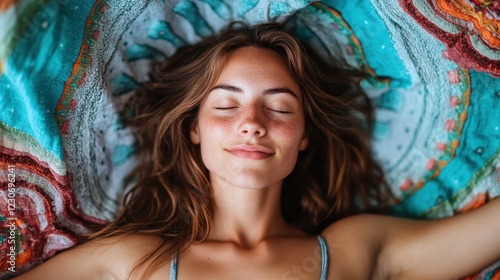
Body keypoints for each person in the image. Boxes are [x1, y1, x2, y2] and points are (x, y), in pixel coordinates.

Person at [15, 22, 500, 280]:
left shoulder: (355, 250)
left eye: (281, 109)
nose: (252, 124)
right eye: (226, 105)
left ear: (304, 135)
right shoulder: (130, 262)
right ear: (194, 129)